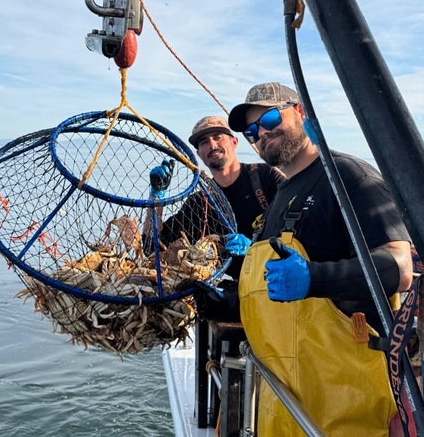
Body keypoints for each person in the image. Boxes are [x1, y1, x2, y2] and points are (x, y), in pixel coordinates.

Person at [223, 81, 414, 436]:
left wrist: (314, 278)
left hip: (345, 408)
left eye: (269, 118)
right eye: (251, 132)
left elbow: (400, 268)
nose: (261, 134)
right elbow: (273, 295)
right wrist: (227, 302)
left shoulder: (348, 176)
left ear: (299, 112)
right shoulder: (281, 195)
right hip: (285, 405)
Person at [149, 116, 284, 277]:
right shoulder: (201, 201)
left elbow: (302, 226)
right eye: (204, 141)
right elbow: (153, 247)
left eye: (218, 137)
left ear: (234, 142)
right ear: (199, 154)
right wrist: (156, 198)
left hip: (279, 276)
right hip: (236, 287)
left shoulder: (267, 177)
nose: (212, 145)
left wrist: (256, 248)